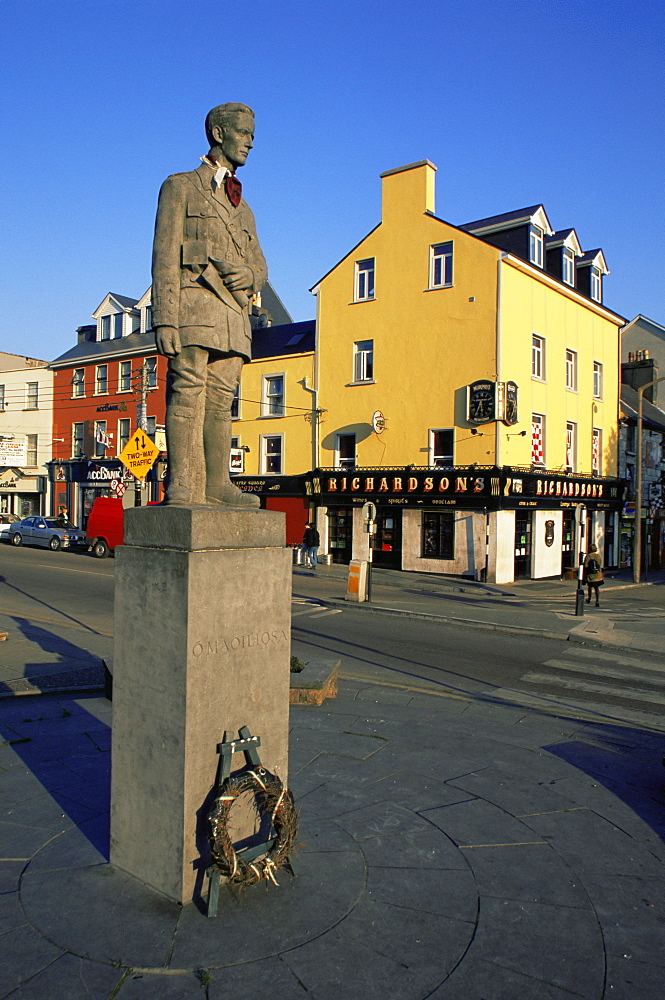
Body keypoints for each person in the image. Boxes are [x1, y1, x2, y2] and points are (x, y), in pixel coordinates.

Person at [152, 102, 267, 507]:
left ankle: (217, 484)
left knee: (220, 402)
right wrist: (164, 320)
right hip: (194, 305)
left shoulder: (244, 208)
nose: (251, 142)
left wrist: (251, 277)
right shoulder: (180, 186)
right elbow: (165, 255)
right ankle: (182, 482)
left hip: (234, 315)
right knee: (186, 391)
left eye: (252, 135)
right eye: (244, 133)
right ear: (219, 134)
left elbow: (262, 266)